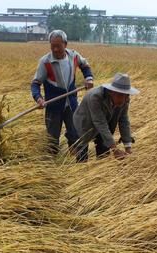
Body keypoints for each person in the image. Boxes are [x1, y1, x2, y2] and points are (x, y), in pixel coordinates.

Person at [31, 30, 94, 158]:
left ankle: (79, 163)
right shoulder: (45, 62)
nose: (55, 49)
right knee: (52, 139)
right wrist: (38, 98)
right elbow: (35, 83)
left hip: (71, 103)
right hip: (53, 105)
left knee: (76, 133)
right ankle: (52, 166)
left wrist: (89, 78)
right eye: (52, 46)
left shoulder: (74, 56)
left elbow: (85, 66)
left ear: (65, 44)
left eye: (58, 46)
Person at [72, 73, 139, 162]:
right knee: (82, 155)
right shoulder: (96, 97)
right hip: (85, 122)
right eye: (120, 95)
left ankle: (98, 171)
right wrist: (115, 149)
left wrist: (128, 147)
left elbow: (124, 120)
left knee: (104, 153)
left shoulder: (125, 99)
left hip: (104, 124)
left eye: (126, 95)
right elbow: (100, 122)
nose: (123, 99)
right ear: (112, 92)